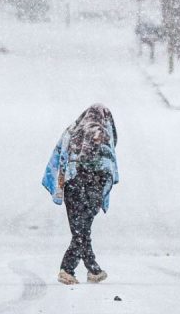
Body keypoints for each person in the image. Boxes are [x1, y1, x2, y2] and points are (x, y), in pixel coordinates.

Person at [42, 104, 119, 285]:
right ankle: (70, 269)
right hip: (92, 186)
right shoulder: (101, 133)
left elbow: (59, 156)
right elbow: (107, 164)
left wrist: (64, 181)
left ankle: (92, 269)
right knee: (82, 231)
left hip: (72, 186)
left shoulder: (71, 131)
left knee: (80, 230)